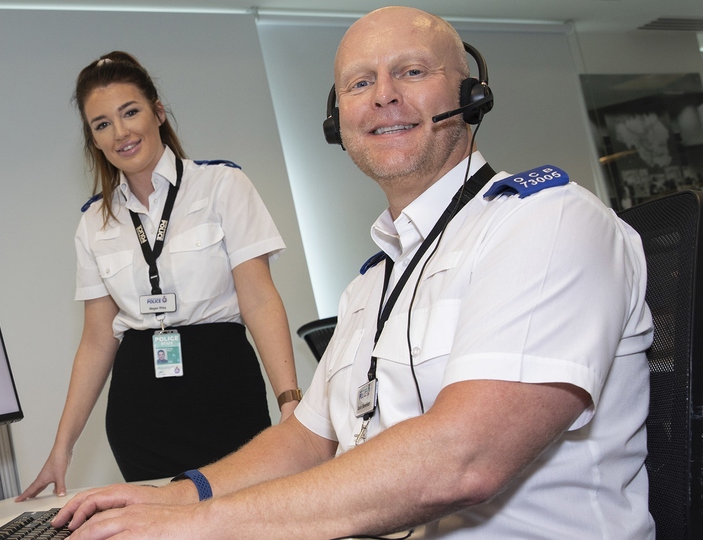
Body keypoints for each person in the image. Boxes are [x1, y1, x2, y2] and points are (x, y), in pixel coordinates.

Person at [50, 7, 655, 539]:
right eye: (359, 83)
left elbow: (464, 458)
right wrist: (174, 496)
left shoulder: (546, 224)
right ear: (337, 120)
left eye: (412, 71)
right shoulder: (373, 285)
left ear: (472, 93)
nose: (384, 95)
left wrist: (200, 525)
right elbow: (306, 441)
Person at [16, 51, 300, 500]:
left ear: (158, 112)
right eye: (102, 124)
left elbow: (260, 299)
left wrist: (290, 403)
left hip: (224, 389)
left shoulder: (222, 186)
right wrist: (61, 448)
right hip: (139, 409)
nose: (121, 132)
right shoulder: (94, 222)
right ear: (93, 139)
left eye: (130, 112)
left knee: (244, 518)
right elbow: (95, 339)